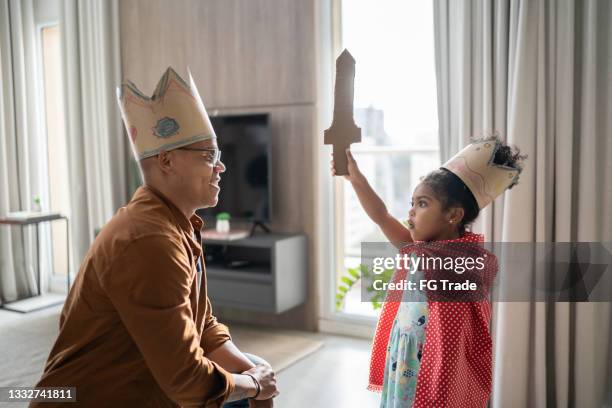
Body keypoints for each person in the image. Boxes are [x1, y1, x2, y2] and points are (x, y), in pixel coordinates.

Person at [32, 67, 278, 407]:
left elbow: (201, 323)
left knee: (251, 372)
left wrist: (254, 374)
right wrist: (252, 385)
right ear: (166, 161)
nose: (221, 167)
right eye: (209, 156)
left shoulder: (180, 223)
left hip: (148, 383)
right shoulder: (149, 242)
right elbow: (187, 382)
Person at [331, 137, 526, 407]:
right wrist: (357, 180)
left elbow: (453, 336)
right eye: (413, 202)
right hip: (405, 353)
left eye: (422, 204)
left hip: (431, 364)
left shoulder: (463, 262)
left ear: (453, 215)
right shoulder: (422, 250)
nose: (411, 211)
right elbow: (382, 216)